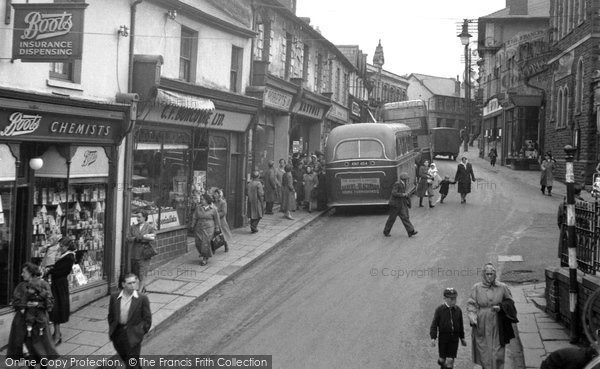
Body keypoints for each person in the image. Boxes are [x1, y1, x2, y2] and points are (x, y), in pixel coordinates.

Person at [7, 262, 58, 363]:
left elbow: (50, 302)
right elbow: (15, 302)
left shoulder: (43, 284)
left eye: (24, 272)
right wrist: (25, 305)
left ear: (31, 273)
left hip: (40, 321)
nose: (22, 274)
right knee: (28, 349)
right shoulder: (21, 286)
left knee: (42, 347)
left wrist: (38, 304)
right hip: (24, 322)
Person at [467, 263, 514, 369]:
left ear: (495, 274)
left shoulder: (502, 287)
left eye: (491, 274)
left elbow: (510, 302)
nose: (489, 276)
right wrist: (472, 317)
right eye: (487, 274)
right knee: (484, 350)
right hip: (482, 322)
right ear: (483, 274)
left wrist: (501, 307)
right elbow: (471, 304)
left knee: (497, 352)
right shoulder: (477, 287)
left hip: (498, 323)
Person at [107, 273, 152, 369]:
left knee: (131, 363)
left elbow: (147, 319)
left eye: (134, 283)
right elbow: (111, 315)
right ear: (123, 284)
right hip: (118, 334)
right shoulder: (114, 297)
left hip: (133, 335)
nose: (132, 285)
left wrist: (140, 331)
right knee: (127, 359)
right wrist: (113, 330)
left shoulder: (142, 298)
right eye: (129, 283)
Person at [48, 237, 76, 345]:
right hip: (57, 284)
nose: (60, 248)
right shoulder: (65, 255)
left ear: (68, 246)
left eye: (62, 246)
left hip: (59, 285)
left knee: (57, 309)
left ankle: (57, 335)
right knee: (55, 310)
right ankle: (56, 333)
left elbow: (58, 271)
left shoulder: (69, 257)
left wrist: (50, 269)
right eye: (60, 246)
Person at [430, 288, 467, 368]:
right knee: (442, 360)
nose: (454, 300)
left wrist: (462, 338)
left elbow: (460, 324)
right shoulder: (439, 310)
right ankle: (441, 361)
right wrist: (433, 338)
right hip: (443, 338)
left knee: (450, 361)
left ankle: (448, 365)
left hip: (454, 338)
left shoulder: (458, 310)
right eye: (451, 299)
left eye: (455, 298)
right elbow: (434, 324)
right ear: (445, 298)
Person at [126, 210, 156, 292]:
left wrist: (146, 238)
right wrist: (135, 239)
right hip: (134, 253)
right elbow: (128, 238)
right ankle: (141, 288)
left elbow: (153, 238)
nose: (137, 218)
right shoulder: (133, 227)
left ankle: (139, 293)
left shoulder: (149, 227)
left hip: (144, 253)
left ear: (144, 217)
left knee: (142, 273)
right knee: (135, 273)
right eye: (137, 217)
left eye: (139, 217)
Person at [383, 172, 418, 238]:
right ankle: (386, 232)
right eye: (406, 179)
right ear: (404, 179)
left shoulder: (403, 183)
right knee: (391, 219)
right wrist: (403, 194)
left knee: (405, 218)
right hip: (395, 205)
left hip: (400, 204)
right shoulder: (397, 184)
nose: (407, 180)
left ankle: (411, 231)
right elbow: (394, 193)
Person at [191, 193, 221, 266]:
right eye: (201, 199)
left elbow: (217, 219)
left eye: (203, 199)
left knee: (205, 242)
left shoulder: (213, 209)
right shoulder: (198, 208)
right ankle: (205, 253)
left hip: (209, 227)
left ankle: (205, 258)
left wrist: (217, 227)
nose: (201, 201)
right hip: (199, 227)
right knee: (198, 243)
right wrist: (192, 225)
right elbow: (194, 217)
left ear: (207, 200)